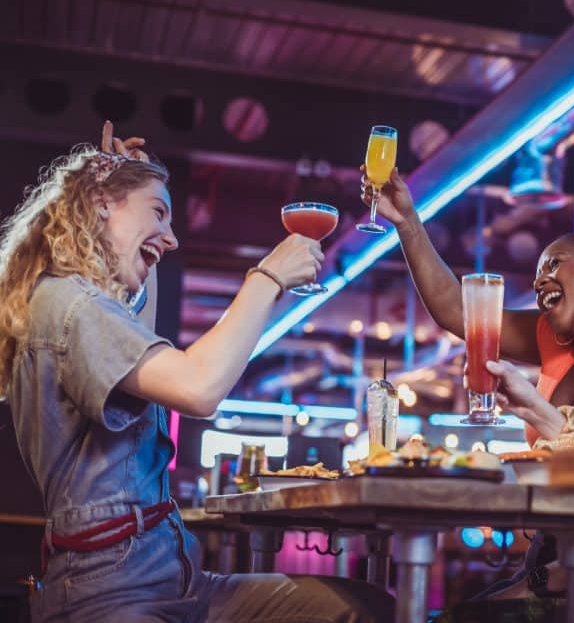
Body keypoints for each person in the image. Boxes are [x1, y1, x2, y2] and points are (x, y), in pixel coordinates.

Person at [0, 123, 393, 622]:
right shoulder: (73, 306)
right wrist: (267, 275)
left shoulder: (88, 304)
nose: (172, 238)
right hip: (111, 592)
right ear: (100, 203)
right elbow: (199, 388)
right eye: (159, 213)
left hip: (172, 575)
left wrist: (132, 197)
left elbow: (144, 312)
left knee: (361, 607)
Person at [362, 166, 574, 618]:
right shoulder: (554, 342)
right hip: (548, 557)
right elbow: (459, 312)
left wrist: (548, 580)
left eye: (554, 263)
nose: (539, 279)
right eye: (537, 272)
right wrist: (407, 222)